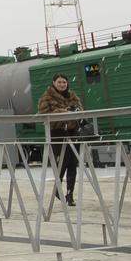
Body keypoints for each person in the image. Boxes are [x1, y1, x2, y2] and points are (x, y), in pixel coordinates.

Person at [38, 72, 83, 206]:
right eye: (59, 82)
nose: (62, 84)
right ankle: (58, 189)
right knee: (62, 162)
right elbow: (44, 114)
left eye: (64, 82)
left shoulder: (73, 96)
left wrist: (75, 111)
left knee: (73, 164)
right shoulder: (46, 98)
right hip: (57, 132)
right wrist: (64, 112)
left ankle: (70, 194)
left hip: (73, 132)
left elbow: (81, 110)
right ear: (54, 83)